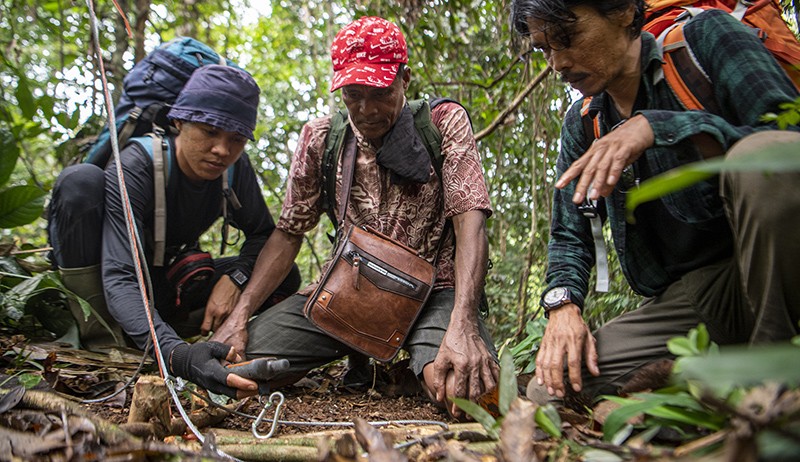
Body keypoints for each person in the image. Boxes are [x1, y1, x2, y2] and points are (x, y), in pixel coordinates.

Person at [510, 0, 800, 403]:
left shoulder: (705, 39)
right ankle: (709, 392)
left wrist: (661, 127)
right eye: (545, 49)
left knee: (764, 155)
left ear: (625, 11)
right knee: (552, 389)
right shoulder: (585, 122)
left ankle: (775, 384)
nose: (557, 63)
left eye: (567, 38)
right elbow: (568, 235)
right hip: (697, 297)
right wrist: (563, 306)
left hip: (779, 271)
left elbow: (790, 143)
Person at [210, 16, 498, 417]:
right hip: (348, 293)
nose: (366, 109)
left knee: (461, 393)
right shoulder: (321, 138)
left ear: (405, 79)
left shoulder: (443, 123)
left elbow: (470, 220)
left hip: (434, 293)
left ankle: (415, 364)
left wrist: (463, 322)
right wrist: (240, 314)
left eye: (379, 92)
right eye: (352, 94)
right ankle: (367, 360)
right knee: (229, 364)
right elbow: (289, 232)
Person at [48, 65, 301, 398]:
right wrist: (176, 355)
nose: (222, 150)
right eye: (209, 131)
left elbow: (263, 235)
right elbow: (122, 275)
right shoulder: (137, 165)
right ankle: (104, 338)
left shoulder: (234, 170)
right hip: (109, 286)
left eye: (236, 139)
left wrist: (236, 278)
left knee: (283, 274)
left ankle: (201, 339)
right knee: (79, 182)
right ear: (179, 122)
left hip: (163, 284)